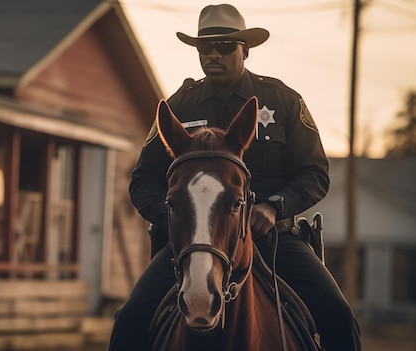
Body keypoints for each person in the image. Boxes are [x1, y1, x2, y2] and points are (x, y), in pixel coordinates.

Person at [108, 4, 361, 351]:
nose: (213, 54)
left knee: (338, 317)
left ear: (245, 49)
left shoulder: (284, 102)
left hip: (273, 241)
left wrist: (274, 207)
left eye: (225, 46)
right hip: (194, 243)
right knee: (130, 321)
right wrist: (177, 219)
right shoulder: (178, 106)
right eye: (204, 47)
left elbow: (314, 172)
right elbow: (143, 180)